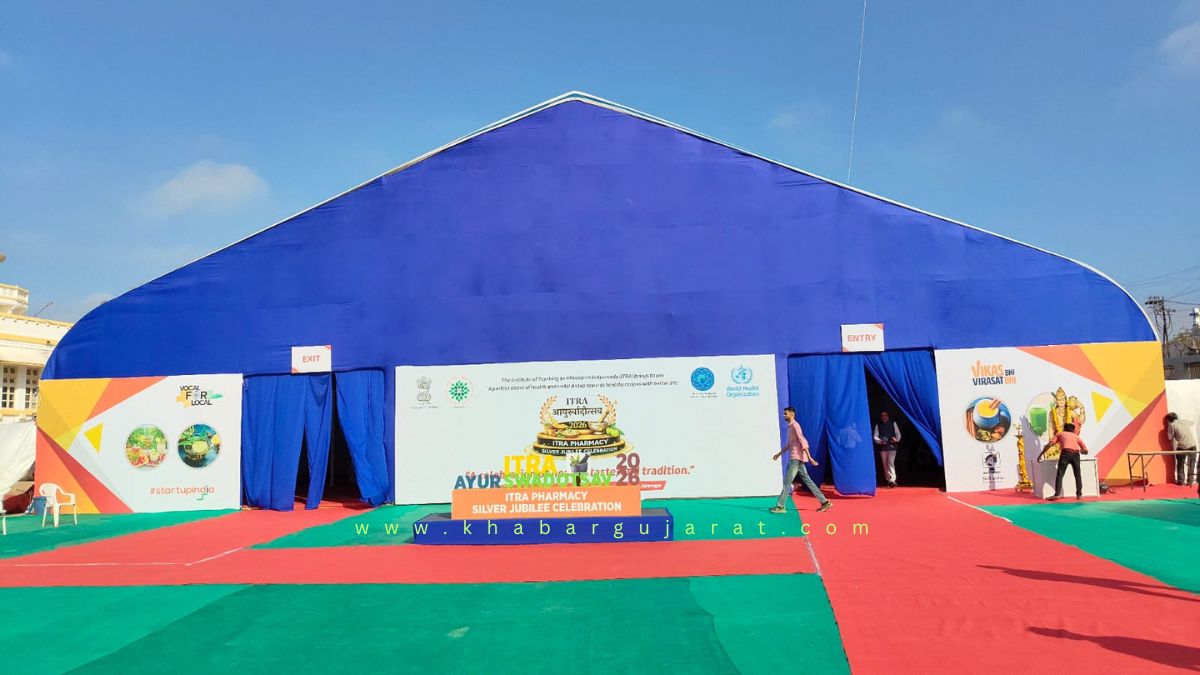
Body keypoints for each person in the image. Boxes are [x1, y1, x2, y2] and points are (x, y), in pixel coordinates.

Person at [771, 407, 832, 513]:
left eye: (786, 414)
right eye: (784, 414)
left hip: (795, 459)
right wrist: (778, 454)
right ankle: (824, 502)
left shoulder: (795, 426)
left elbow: (803, 441)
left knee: (787, 482)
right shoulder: (790, 427)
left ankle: (780, 506)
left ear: (791, 414)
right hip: (797, 459)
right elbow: (789, 444)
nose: (784, 415)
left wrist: (810, 457)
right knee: (808, 480)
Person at [1047, 422, 1088, 501]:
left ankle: (1057, 494)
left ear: (1064, 428)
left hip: (1066, 453)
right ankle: (1079, 495)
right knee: (1077, 475)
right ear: (1073, 430)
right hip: (1076, 454)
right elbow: (1086, 451)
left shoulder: (1060, 434)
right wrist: (1082, 451)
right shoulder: (1076, 436)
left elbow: (1050, 444)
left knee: (1060, 475)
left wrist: (1040, 455)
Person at [1165, 412, 1198, 487]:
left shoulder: (1172, 425)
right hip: (1193, 445)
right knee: (1191, 464)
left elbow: (1169, 437)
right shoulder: (1184, 421)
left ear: (1169, 420)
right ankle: (1190, 481)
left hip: (1182, 446)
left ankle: (1181, 481)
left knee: (1180, 464)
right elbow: (1192, 423)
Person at [873, 411, 901, 488]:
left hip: (892, 446)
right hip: (883, 447)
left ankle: (892, 479)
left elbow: (898, 433)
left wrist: (896, 439)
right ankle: (888, 480)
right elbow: (875, 435)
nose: (884, 417)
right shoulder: (878, 425)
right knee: (885, 464)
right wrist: (880, 441)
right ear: (881, 417)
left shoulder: (893, 423)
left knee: (890, 462)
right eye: (882, 415)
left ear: (888, 416)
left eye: (885, 415)